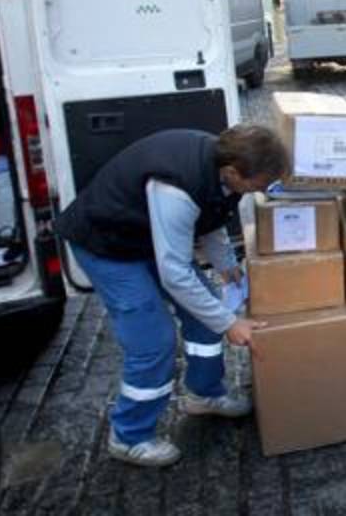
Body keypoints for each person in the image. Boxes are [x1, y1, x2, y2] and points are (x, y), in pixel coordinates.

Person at [53, 125, 289, 467]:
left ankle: (203, 393)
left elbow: (212, 213)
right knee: (153, 341)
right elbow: (175, 273)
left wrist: (225, 263)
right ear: (234, 172)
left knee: (204, 310)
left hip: (148, 236)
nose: (263, 190)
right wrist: (229, 322)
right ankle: (129, 435)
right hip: (108, 245)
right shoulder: (178, 188)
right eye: (260, 184)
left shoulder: (225, 168)